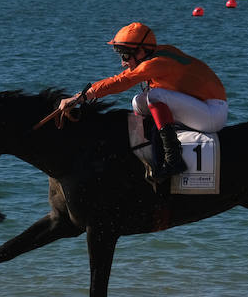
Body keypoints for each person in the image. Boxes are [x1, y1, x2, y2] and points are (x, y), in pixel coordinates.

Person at [56, 22, 228, 181]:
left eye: (125, 56)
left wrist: (80, 97)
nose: (123, 63)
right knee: (138, 101)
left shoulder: (156, 63)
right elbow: (124, 78)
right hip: (200, 108)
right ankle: (150, 149)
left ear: (141, 52)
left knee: (155, 96)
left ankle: (173, 159)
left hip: (212, 113)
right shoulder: (157, 53)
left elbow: (121, 81)